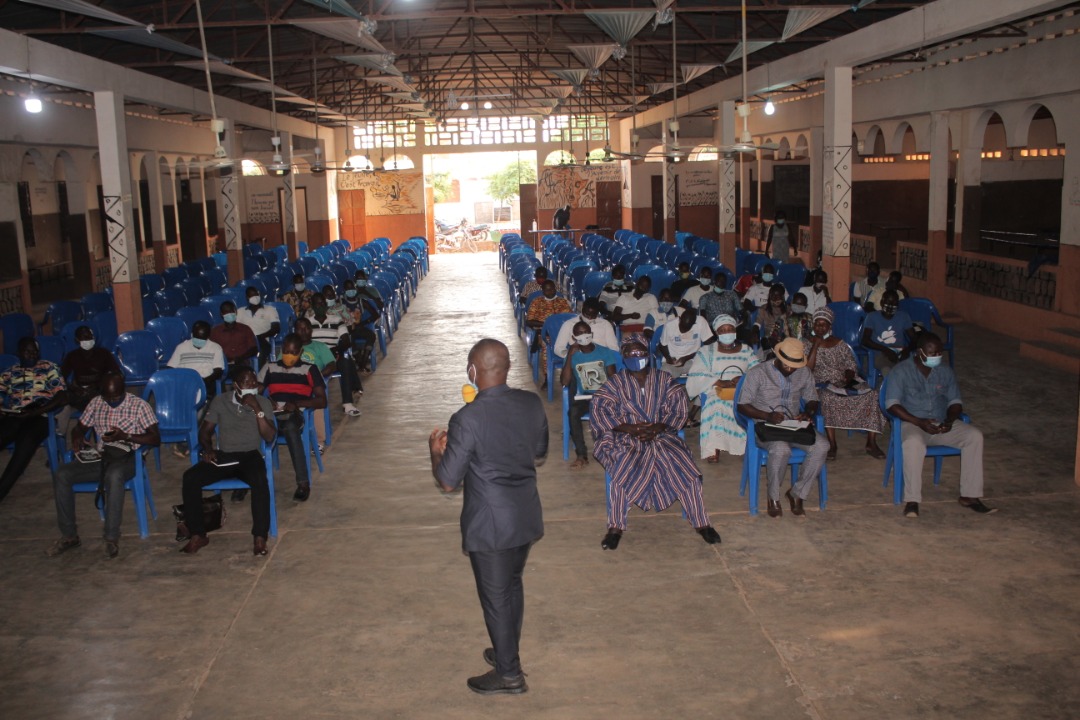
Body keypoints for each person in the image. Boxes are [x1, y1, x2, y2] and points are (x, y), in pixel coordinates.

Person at [428, 339, 548, 695]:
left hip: (490, 523)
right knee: (512, 584)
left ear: (472, 370)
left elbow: (448, 481)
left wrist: (436, 452)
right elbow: (539, 452)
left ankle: (509, 675)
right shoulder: (531, 403)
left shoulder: (467, 418)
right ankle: (506, 651)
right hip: (525, 513)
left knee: (496, 598)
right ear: (507, 367)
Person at [589, 338, 722, 549]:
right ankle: (615, 527)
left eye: (640, 353)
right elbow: (600, 411)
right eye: (630, 354)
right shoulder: (614, 383)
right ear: (623, 357)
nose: (636, 357)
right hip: (625, 436)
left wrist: (658, 427)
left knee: (684, 465)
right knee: (622, 466)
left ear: (648, 355)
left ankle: (701, 522)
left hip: (661, 434)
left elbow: (679, 409)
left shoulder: (664, 379)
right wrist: (630, 428)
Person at [47, 374, 160, 559]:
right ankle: (69, 536)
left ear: (124, 390)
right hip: (103, 455)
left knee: (114, 475)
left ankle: (111, 537)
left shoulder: (139, 406)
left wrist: (125, 436)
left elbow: (155, 438)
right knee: (62, 473)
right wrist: (77, 435)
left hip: (129, 457)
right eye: (108, 397)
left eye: (116, 397)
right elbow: (80, 427)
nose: (112, 401)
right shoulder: (96, 403)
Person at [884, 332, 996, 519]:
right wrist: (919, 422)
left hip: (940, 423)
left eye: (939, 353)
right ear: (919, 352)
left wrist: (949, 421)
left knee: (974, 436)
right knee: (913, 443)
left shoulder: (945, 371)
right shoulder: (901, 371)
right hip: (912, 422)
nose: (936, 357)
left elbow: (955, 402)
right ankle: (912, 500)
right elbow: (892, 405)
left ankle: (969, 496)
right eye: (932, 353)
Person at [178, 367, 277, 556]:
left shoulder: (263, 402)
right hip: (225, 456)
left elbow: (270, 436)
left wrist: (257, 409)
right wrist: (208, 450)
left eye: (254, 382)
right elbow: (205, 432)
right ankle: (198, 534)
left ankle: (259, 537)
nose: (251, 386)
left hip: (250, 455)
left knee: (260, 481)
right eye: (247, 383)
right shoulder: (221, 401)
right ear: (236, 385)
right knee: (190, 478)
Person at [736, 338, 829, 518]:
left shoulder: (804, 372)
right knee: (781, 449)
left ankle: (797, 493)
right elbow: (742, 405)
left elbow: (812, 398)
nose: (790, 369)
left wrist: (808, 412)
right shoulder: (758, 373)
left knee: (822, 446)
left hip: (793, 424)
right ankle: (773, 497)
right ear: (777, 357)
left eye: (794, 366)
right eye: (787, 364)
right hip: (765, 425)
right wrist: (767, 416)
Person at [802, 308, 885, 460]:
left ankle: (871, 442)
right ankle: (832, 444)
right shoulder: (806, 343)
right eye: (817, 324)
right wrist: (815, 345)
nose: (820, 328)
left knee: (872, 395)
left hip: (843, 381)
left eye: (824, 324)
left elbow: (851, 364)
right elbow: (807, 369)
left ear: (830, 326)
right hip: (820, 383)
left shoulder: (839, 343)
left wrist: (848, 376)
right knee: (828, 398)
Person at [258, 334, 327, 502]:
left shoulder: (309, 369)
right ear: (282, 350)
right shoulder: (270, 367)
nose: (289, 355)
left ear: (300, 352)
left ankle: (303, 483)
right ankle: (246, 478)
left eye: (294, 352)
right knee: (247, 425)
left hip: (296, 415)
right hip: (272, 415)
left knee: (290, 428)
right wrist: (265, 402)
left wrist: (297, 403)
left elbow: (322, 400)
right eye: (286, 351)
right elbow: (255, 392)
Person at [0, 337, 68, 502]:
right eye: (27, 351)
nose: (32, 355)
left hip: (40, 415)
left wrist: (36, 412)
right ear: (19, 353)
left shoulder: (48, 367)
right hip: (15, 415)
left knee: (25, 445)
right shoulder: (9, 373)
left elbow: (62, 396)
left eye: (35, 351)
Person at [686, 315, 760, 463]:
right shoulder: (707, 351)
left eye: (730, 329)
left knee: (754, 404)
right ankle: (714, 447)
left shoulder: (746, 350)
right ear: (717, 333)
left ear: (735, 331)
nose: (727, 333)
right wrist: (719, 381)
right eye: (723, 330)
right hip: (717, 389)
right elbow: (697, 372)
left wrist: (743, 378)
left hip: (744, 389)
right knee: (716, 405)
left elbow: (758, 371)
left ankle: (746, 443)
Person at [559, 321, 619, 469]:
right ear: (574, 337)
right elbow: (565, 382)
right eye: (579, 333)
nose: (583, 335)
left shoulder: (604, 352)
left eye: (586, 332)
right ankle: (581, 455)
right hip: (585, 397)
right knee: (573, 412)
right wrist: (570, 356)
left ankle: (612, 451)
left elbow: (613, 379)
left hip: (604, 396)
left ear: (591, 334)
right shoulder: (573, 355)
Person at [307, 293, 363, 417]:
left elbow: (346, 341)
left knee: (346, 362)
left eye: (323, 303)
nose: (321, 306)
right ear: (313, 306)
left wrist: (336, 350)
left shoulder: (336, 320)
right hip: (314, 357)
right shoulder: (308, 323)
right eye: (317, 304)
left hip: (332, 355)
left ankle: (348, 404)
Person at [58, 325, 122, 431]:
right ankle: (60, 432)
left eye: (90, 337)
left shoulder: (104, 353)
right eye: (84, 337)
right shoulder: (72, 356)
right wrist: (73, 388)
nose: (88, 340)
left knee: (98, 400)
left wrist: (99, 386)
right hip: (79, 391)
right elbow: (61, 377)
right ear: (77, 340)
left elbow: (116, 373)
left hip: (99, 390)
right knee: (61, 400)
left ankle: (93, 429)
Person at [861, 289, 915, 378]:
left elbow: (914, 338)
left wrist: (907, 350)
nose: (891, 306)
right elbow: (865, 340)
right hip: (880, 353)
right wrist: (886, 350)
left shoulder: (904, 316)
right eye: (888, 302)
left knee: (912, 369)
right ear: (882, 303)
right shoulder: (872, 317)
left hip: (900, 351)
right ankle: (892, 384)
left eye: (894, 303)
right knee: (887, 370)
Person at [167, 320, 225, 400]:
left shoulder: (215, 348)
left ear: (208, 336)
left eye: (202, 338)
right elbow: (171, 367)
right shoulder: (181, 347)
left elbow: (218, 371)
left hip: (205, 381)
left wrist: (204, 381)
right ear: (192, 334)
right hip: (184, 382)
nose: (199, 340)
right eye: (197, 337)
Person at [551, 298, 618, 360]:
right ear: (582, 309)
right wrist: (569, 355)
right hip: (579, 359)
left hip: (602, 358)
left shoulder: (605, 324)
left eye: (593, 316)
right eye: (587, 314)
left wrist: (606, 356)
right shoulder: (569, 324)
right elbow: (558, 348)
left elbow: (614, 347)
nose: (589, 318)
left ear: (598, 313)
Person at [658, 307, 712, 379]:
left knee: (704, 375)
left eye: (686, 328)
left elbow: (708, 345)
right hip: (673, 362)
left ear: (694, 324)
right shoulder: (669, 325)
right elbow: (662, 345)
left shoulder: (701, 322)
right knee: (663, 377)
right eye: (681, 327)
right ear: (679, 319)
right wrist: (668, 358)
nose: (682, 331)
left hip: (692, 361)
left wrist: (686, 358)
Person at [210, 301, 258, 376]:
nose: (229, 314)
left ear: (236, 312)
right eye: (226, 312)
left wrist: (241, 358)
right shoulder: (215, 331)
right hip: (223, 365)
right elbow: (211, 350)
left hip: (242, 364)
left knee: (245, 373)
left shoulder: (245, 329)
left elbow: (254, 349)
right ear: (222, 314)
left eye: (231, 311)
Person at [342, 279, 380, 373]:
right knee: (349, 339)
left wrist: (364, 322)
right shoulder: (342, 304)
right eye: (348, 289)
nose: (350, 291)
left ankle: (363, 361)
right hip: (347, 330)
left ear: (355, 288)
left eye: (352, 288)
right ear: (344, 291)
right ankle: (361, 364)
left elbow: (375, 314)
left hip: (360, 327)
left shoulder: (362, 302)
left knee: (371, 335)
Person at [235, 286, 280, 366]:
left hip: (262, 339)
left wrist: (260, 336)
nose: (255, 297)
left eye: (257, 294)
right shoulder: (240, 311)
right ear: (247, 298)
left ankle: (256, 370)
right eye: (252, 295)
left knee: (261, 350)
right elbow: (236, 329)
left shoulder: (270, 309)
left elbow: (276, 328)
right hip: (245, 340)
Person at [754, 284, 791, 353]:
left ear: (782, 296)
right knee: (766, 341)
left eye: (778, 295)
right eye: (773, 295)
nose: (776, 298)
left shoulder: (788, 309)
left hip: (785, 336)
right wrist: (754, 332)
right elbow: (757, 324)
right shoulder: (764, 308)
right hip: (770, 337)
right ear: (770, 296)